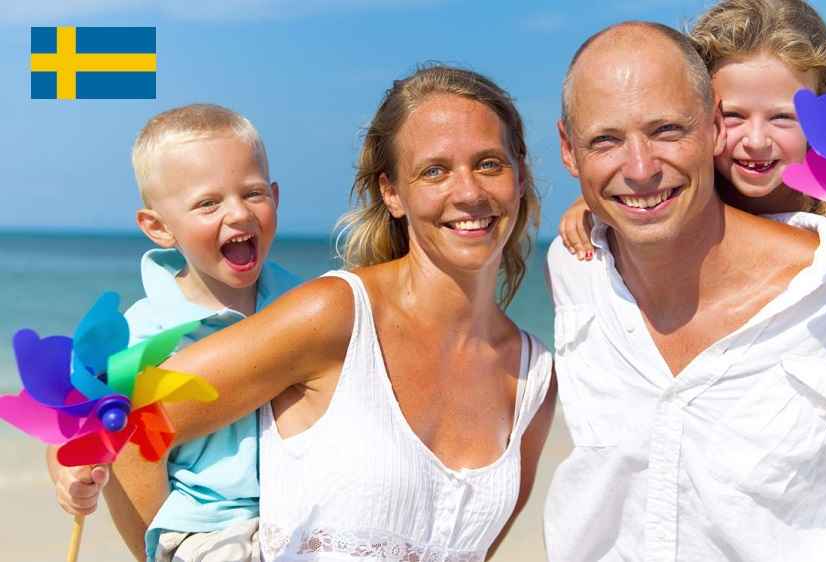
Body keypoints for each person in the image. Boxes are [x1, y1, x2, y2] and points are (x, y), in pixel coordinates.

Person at [544, 21, 826, 562]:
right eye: (735, 116)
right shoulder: (610, 236)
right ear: (710, 118)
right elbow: (638, 179)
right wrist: (595, 201)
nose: (754, 140)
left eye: (784, 117)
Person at [103, 65, 555, 561]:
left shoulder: (535, 378)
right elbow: (125, 422)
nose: (469, 192)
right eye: (434, 171)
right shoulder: (334, 315)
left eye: (490, 164)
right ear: (392, 193)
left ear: (521, 174)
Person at [46, 103, 299, 561]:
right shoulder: (140, 330)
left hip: (301, 510)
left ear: (276, 198)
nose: (239, 214)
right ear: (158, 227)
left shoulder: (303, 305)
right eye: (208, 203)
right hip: (202, 529)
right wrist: (69, 473)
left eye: (254, 193)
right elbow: (72, 425)